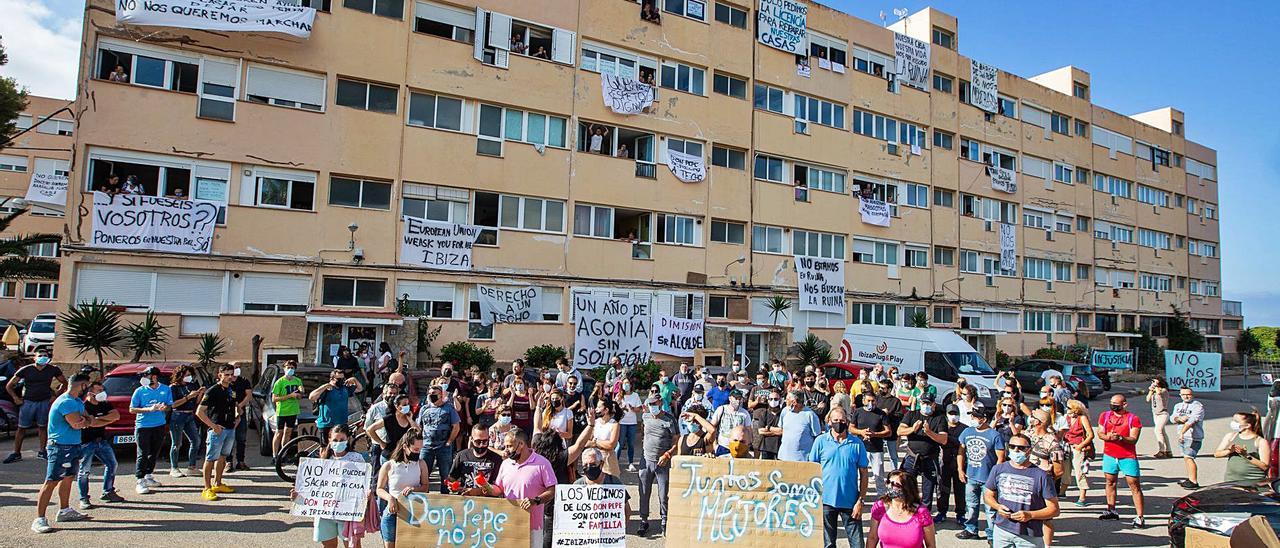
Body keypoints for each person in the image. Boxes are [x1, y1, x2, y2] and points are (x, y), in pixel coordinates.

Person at [31, 373, 100, 533]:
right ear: (82, 386)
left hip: (73, 445)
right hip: (60, 447)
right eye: (87, 386)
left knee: (68, 478)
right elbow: (77, 423)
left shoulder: (76, 402)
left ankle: (65, 510)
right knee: (52, 481)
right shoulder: (66, 402)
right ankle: (39, 519)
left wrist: (86, 421)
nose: (88, 390)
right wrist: (86, 421)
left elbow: (87, 418)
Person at [293, 425, 373, 548]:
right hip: (325, 512)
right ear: (329, 440)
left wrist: (366, 494)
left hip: (347, 512)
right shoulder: (323, 459)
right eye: (335, 440)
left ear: (348, 440)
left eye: (342, 440)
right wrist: (298, 496)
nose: (338, 443)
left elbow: (363, 484)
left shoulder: (357, 459)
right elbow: (313, 485)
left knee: (353, 545)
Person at [480, 427, 559, 548]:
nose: (505, 450)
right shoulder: (505, 464)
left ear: (521, 444)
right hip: (508, 523)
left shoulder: (542, 463)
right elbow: (499, 489)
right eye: (505, 446)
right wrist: (488, 487)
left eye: (509, 446)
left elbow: (552, 490)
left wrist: (535, 501)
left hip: (532, 526)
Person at [983, 434, 1060, 548]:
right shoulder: (998, 469)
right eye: (1012, 446)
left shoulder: (1041, 475)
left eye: (1021, 448)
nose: (1016, 450)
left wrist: (1030, 515)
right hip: (1001, 531)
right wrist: (998, 507)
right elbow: (988, 495)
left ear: (1029, 450)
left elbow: (1054, 510)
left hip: (1029, 536)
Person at [809, 407, 869, 548]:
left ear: (847, 422)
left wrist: (860, 500)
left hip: (850, 501)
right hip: (826, 501)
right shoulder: (820, 441)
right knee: (828, 543)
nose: (839, 423)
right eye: (835, 420)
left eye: (842, 420)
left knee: (857, 543)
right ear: (829, 422)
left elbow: (864, 474)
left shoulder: (857, 444)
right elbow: (812, 470)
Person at [5, 353, 67, 463]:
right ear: (34, 357)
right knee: (21, 428)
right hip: (28, 401)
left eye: (45, 355)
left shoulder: (53, 369)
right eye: (40, 355)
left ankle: (43, 451)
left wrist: (56, 395)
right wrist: (16, 398)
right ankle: (16, 452)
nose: (42, 357)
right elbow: (9, 385)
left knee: (43, 427)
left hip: (44, 401)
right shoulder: (26, 370)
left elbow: (64, 382)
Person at [1097, 394, 1145, 528]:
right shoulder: (1105, 416)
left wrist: (1121, 438)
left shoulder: (1133, 419)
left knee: (1134, 485)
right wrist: (1107, 437)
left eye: (1116, 403)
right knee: (1110, 482)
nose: (1113, 406)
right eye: (1111, 402)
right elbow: (1100, 433)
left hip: (1127, 456)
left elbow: (1134, 438)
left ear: (1124, 404)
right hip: (1109, 455)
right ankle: (1111, 509)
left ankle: (1140, 516)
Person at [957, 406, 1004, 541]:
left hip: (988, 478)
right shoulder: (967, 432)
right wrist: (960, 469)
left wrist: (994, 478)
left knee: (991, 509)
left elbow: (1000, 458)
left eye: (975, 417)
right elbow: (961, 452)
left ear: (983, 419)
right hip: (971, 476)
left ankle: (993, 535)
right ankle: (971, 529)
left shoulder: (994, 435)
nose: (972, 419)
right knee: (971, 505)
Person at [376, 432, 429, 548]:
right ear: (405, 446)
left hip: (414, 513)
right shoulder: (389, 465)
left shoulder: (421, 464)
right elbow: (379, 489)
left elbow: (425, 486)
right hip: (393, 512)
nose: (418, 452)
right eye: (415, 449)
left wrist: (415, 488)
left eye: (420, 449)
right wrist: (389, 498)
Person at [898, 392, 948, 514]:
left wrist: (929, 432)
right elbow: (899, 431)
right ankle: (907, 510)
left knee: (928, 488)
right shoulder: (912, 415)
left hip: (930, 458)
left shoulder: (939, 418)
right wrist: (912, 429)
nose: (926, 405)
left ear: (934, 405)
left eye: (929, 403)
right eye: (924, 403)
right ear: (920, 403)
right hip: (912, 456)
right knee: (907, 486)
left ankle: (925, 514)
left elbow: (944, 439)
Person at [76, 380, 123, 510]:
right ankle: (84, 498)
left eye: (102, 390)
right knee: (84, 471)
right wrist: (104, 420)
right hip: (86, 442)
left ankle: (108, 492)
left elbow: (116, 416)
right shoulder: (84, 406)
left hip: (101, 440)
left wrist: (97, 419)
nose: (102, 393)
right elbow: (91, 423)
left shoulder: (105, 404)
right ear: (90, 392)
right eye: (98, 390)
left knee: (112, 464)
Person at [196, 364, 239, 501]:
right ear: (219, 375)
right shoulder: (212, 391)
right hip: (217, 429)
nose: (229, 377)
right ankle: (206, 488)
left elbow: (235, 407)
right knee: (210, 458)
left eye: (231, 374)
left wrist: (237, 417)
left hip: (230, 428)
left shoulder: (232, 390)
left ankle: (218, 483)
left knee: (223, 457)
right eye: (226, 374)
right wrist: (213, 426)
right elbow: (199, 412)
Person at [636, 393, 678, 536]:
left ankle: (664, 520)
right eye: (650, 405)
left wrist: (667, 454)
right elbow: (643, 433)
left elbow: (676, 441)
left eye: (654, 404)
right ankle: (643, 520)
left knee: (663, 494)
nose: (652, 407)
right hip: (646, 459)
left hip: (663, 462)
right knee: (643, 491)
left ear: (660, 404)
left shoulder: (669, 419)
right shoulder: (645, 417)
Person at [129, 366, 173, 495]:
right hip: (143, 426)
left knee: (154, 452)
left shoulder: (165, 389)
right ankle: (140, 479)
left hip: (159, 425)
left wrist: (164, 408)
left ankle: (149, 475)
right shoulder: (139, 391)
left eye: (147, 376)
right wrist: (148, 409)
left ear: (154, 376)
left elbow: (169, 406)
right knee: (143, 453)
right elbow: (132, 409)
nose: (145, 379)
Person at [867, 470, 937, 548]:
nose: (891, 487)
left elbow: (931, 545)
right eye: (889, 482)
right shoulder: (880, 507)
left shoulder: (921, 513)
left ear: (907, 489)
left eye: (896, 485)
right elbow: (872, 537)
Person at [417, 383, 460, 494]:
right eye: (430, 394)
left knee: (445, 475)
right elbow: (419, 427)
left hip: (443, 447)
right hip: (426, 447)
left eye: (435, 394)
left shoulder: (449, 408)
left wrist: (449, 441)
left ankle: (444, 499)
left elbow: (456, 426)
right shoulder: (424, 409)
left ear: (441, 395)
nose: (432, 396)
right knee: (423, 475)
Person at [850, 392, 891, 496]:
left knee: (878, 475)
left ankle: (881, 497)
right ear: (864, 401)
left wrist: (875, 434)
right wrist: (861, 432)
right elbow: (851, 428)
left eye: (873, 401)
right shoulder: (858, 412)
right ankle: (859, 496)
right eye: (868, 401)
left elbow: (888, 431)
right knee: (859, 474)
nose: (870, 403)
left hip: (876, 448)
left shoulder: (881, 413)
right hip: (860, 448)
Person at [167, 365, 204, 477]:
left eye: (189, 375)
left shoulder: (190, 385)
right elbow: (173, 404)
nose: (189, 377)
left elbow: (196, 402)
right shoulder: (173, 387)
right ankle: (174, 468)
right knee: (177, 443)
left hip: (189, 415)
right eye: (186, 375)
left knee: (196, 440)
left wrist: (200, 393)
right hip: (178, 416)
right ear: (180, 375)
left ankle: (191, 466)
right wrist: (188, 397)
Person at [1216, 410, 1270, 483]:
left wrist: (1246, 455)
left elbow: (1265, 466)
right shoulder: (1231, 436)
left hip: (1253, 482)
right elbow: (1216, 454)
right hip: (1231, 480)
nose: (1233, 423)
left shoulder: (1260, 441)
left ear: (1247, 425)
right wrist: (1229, 451)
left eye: (1236, 421)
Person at [448, 424, 504, 493]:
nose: (481, 445)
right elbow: (452, 477)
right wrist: (451, 485)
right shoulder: (462, 455)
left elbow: (498, 487)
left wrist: (478, 491)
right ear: (471, 439)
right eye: (478, 442)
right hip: (465, 498)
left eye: (485, 441)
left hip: (488, 500)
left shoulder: (496, 459)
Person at [310, 369, 360, 443]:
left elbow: (360, 389)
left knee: (341, 446)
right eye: (338, 379)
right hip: (327, 424)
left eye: (342, 379)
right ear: (332, 379)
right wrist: (325, 386)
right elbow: (312, 397)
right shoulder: (327, 389)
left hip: (341, 424)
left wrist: (354, 379)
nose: (341, 381)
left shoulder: (345, 388)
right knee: (325, 447)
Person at [937, 403, 968, 524]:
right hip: (944, 462)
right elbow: (941, 441)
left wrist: (950, 440)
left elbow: (962, 445)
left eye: (955, 414)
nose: (953, 416)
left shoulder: (965, 428)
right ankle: (942, 512)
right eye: (951, 414)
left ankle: (960, 514)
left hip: (959, 463)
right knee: (943, 488)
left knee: (960, 490)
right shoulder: (942, 427)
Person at [1170, 387, 1205, 489]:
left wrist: (1182, 432)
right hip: (1183, 436)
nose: (1186, 396)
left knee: (1189, 457)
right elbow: (1172, 418)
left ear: (1192, 395)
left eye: (1188, 394)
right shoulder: (1178, 406)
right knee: (1186, 457)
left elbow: (1192, 421)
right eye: (1183, 394)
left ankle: (1193, 481)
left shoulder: (1197, 406)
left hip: (1193, 437)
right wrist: (1178, 418)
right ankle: (1190, 478)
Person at [1062, 400, 1094, 506]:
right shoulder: (1066, 418)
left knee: (1079, 471)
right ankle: (1062, 491)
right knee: (1065, 470)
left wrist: (1081, 446)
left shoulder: (1082, 418)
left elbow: (1090, 434)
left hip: (1078, 447)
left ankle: (1082, 496)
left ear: (1076, 409)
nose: (1067, 409)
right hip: (1067, 446)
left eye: (1069, 408)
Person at [270, 362, 303, 461]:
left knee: (288, 432)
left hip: (293, 410)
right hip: (282, 411)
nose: (290, 369)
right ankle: (275, 455)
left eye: (292, 368)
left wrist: (299, 394)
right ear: (284, 369)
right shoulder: (280, 382)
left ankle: (283, 453)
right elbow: (274, 399)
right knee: (279, 432)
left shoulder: (297, 381)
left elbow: (300, 395)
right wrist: (290, 396)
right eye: (288, 367)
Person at [780, 389, 824, 461]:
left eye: (787, 399)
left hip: (803, 459)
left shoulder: (810, 415)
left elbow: (817, 436)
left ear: (794, 402)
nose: (785, 401)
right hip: (784, 457)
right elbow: (782, 429)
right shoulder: (785, 411)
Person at [368, 394, 414, 461]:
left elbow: (417, 431)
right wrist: (381, 443)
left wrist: (410, 420)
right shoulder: (389, 418)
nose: (407, 406)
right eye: (404, 405)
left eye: (408, 404)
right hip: (390, 455)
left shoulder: (409, 417)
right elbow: (370, 429)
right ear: (397, 406)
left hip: (405, 455)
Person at [708, 390, 753, 456]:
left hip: (738, 447)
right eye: (736, 398)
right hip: (723, 446)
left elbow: (749, 431)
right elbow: (712, 427)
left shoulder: (744, 413)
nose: (737, 400)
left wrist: (747, 446)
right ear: (730, 398)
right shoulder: (721, 409)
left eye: (739, 398)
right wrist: (714, 445)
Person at [586, 399, 621, 476]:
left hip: (608, 460)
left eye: (599, 407)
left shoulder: (614, 425)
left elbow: (611, 445)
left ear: (606, 410)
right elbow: (587, 441)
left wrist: (595, 442)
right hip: (594, 458)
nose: (596, 409)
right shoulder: (595, 422)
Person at [228, 364, 254, 471]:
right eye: (235, 367)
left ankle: (241, 461)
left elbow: (248, 395)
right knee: (229, 439)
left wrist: (240, 406)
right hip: (228, 414)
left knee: (241, 438)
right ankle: (228, 462)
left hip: (241, 413)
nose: (237, 369)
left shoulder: (244, 381)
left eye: (238, 367)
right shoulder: (227, 382)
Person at [876, 381, 904, 469]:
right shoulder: (877, 399)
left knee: (893, 456)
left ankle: (894, 471)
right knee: (878, 456)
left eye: (883, 388)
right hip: (878, 431)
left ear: (889, 389)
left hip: (891, 432)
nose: (880, 390)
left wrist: (889, 414)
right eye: (879, 387)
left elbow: (899, 415)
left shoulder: (895, 401)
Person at [616, 380, 643, 471]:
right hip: (622, 422)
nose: (626, 385)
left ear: (631, 385)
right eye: (624, 383)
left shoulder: (635, 395)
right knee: (620, 444)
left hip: (632, 423)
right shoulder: (619, 395)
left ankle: (631, 463)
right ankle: (615, 463)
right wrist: (620, 406)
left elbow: (639, 408)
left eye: (628, 383)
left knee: (631, 444)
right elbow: (614, 408)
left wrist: (632, 408)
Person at [753, 387, 785, 460]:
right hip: (766, 447)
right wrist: (776, 432)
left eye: (776, 399)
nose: (773, 401)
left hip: (780, 446)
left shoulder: (783, 414)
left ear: (780, 400)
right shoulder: (764, 413)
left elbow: (783, 431)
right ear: (768, 400)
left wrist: (769, 428)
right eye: (771, 399)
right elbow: (760, 431)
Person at [1145, 378, 1172, 459]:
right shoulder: (1154, 391)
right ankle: (1168, 450)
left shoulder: (1164, 390)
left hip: (1163, 413)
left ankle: (1162, 450)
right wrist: (1150, 390)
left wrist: (1156, 386)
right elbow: (1147, 399)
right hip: (1155, 414)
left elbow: (1159, 393)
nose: (1153, 382)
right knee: (1162, 432)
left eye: (1155, 381)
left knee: (1157, 430)